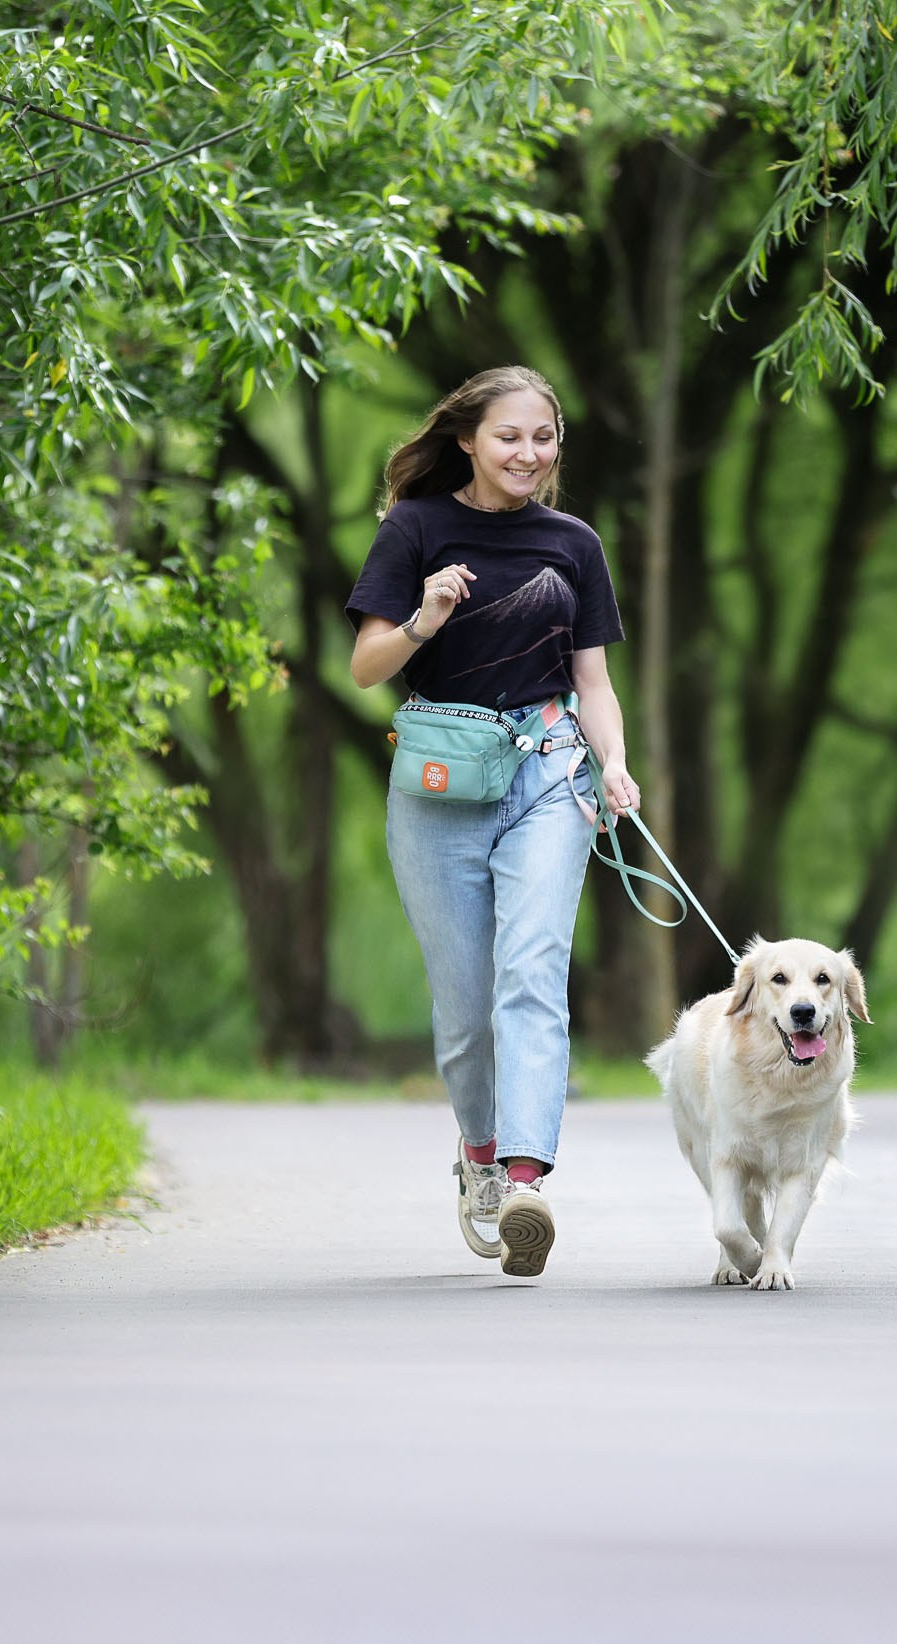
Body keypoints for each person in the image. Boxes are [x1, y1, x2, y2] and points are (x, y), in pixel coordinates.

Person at [345, 365, 640, 1278]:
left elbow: (592, 681)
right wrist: (426, 616)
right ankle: (478, 1154)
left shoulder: (573, 542)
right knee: (467, 1005)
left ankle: (525, 1180)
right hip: (439, 782)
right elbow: (365, 667)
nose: (529, 452)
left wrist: (616, 765)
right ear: (469, 438)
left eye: (544, 437)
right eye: (510, 435)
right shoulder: (416, 529)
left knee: (532, 970)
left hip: (549, 772)